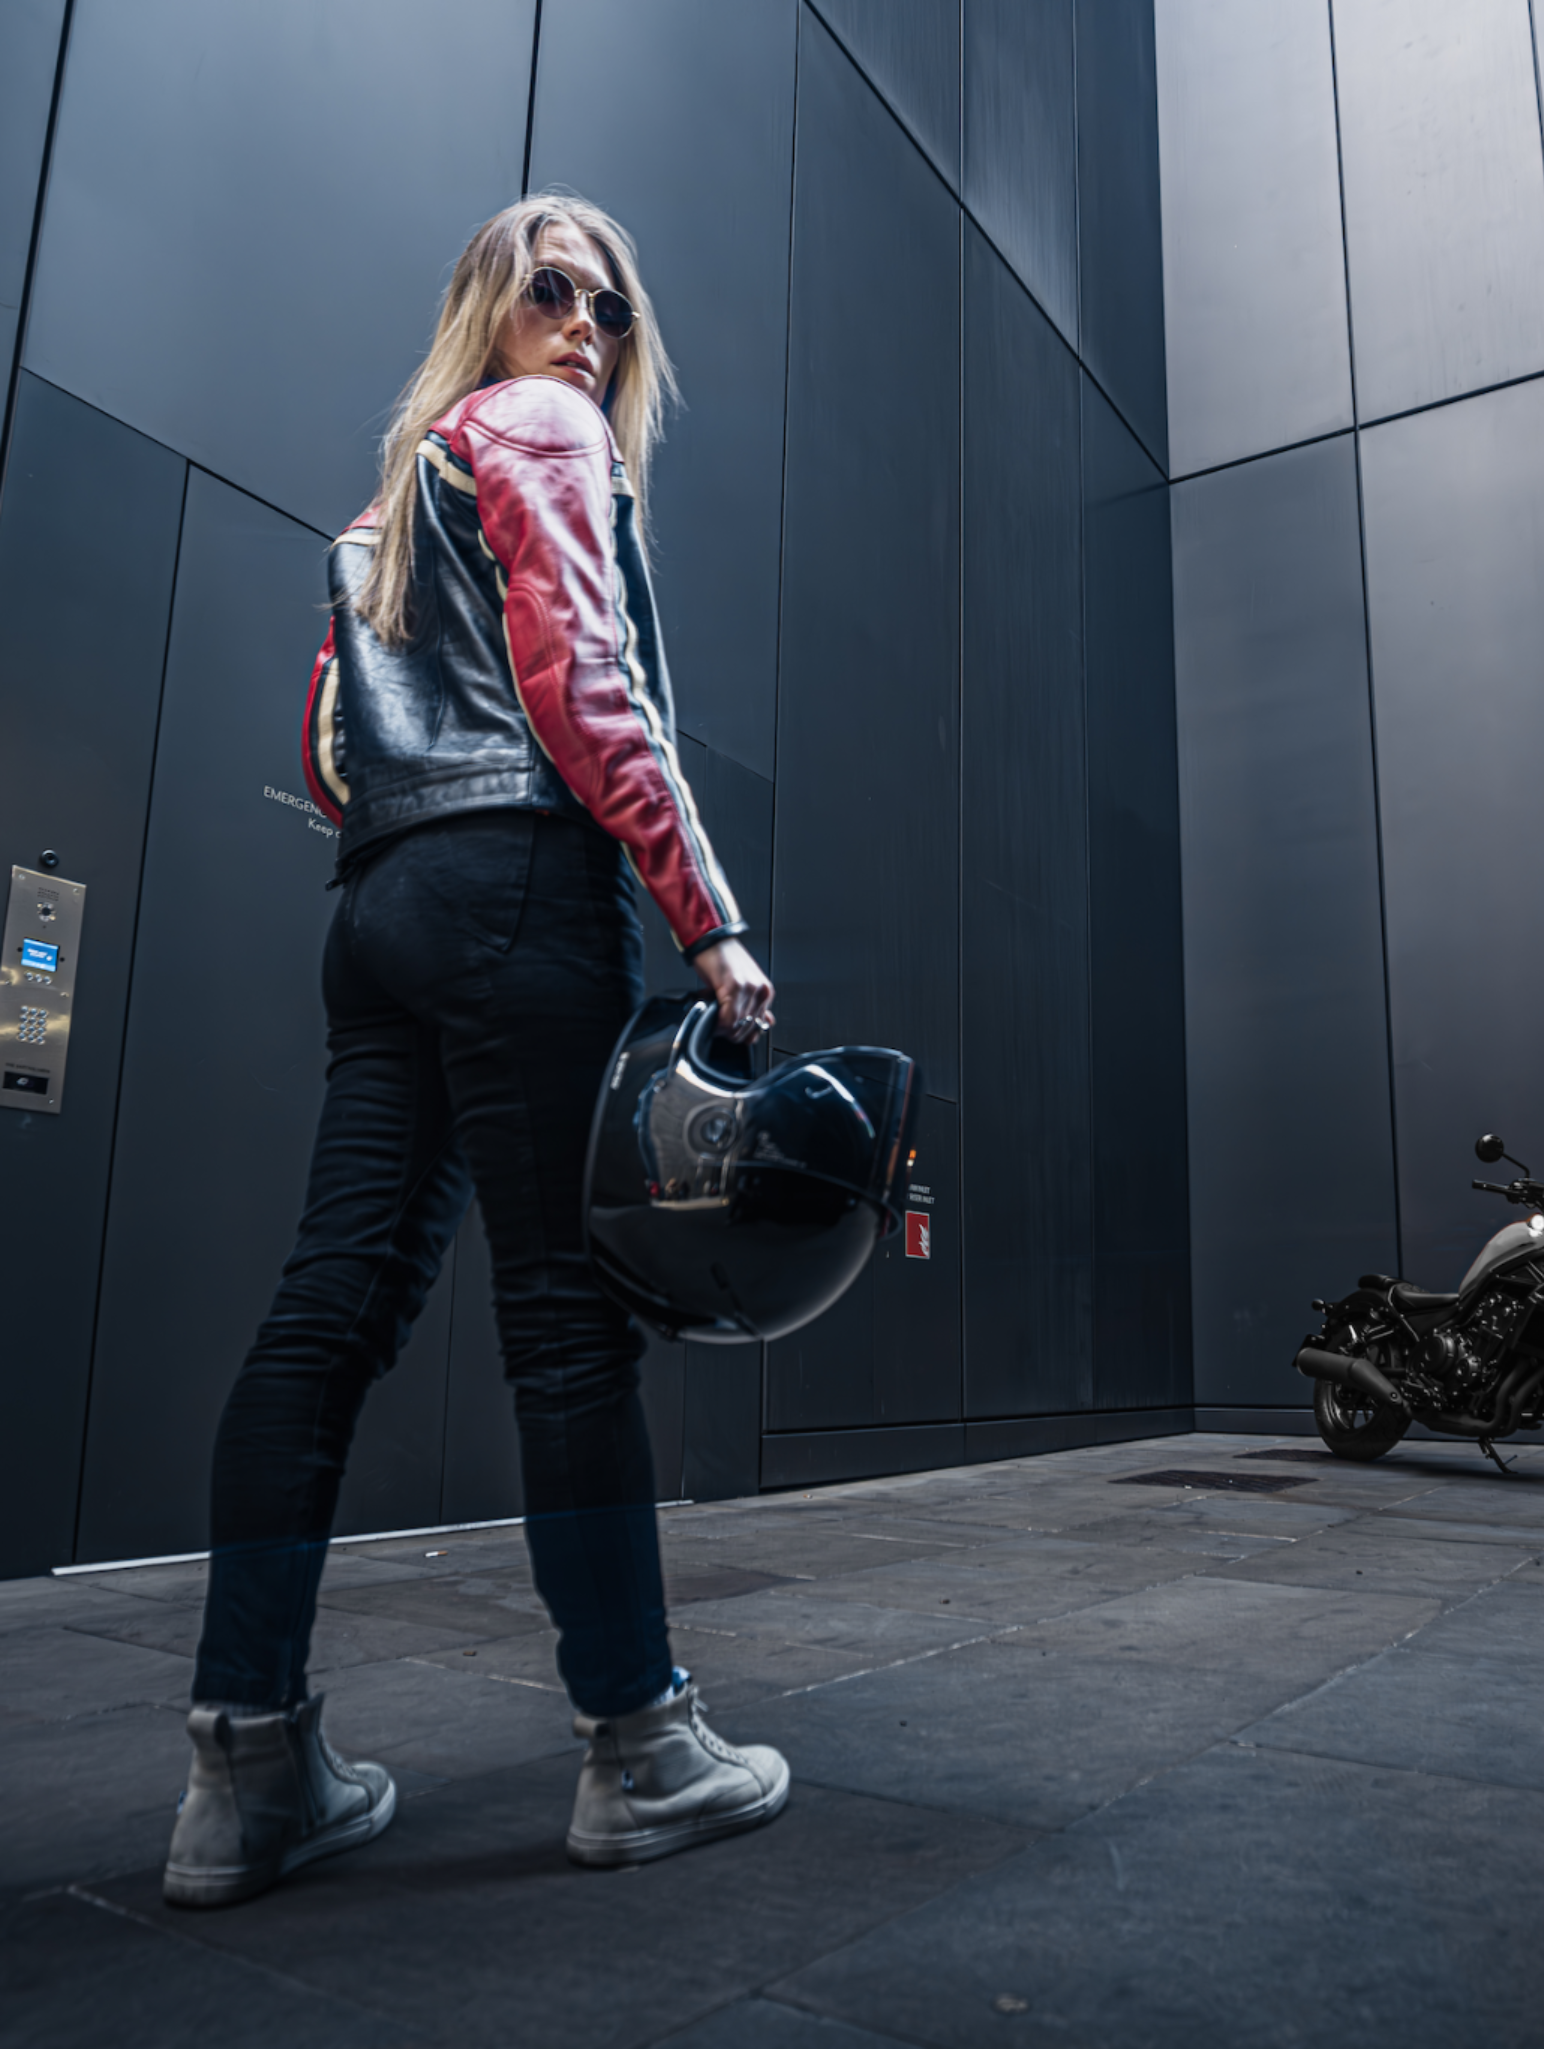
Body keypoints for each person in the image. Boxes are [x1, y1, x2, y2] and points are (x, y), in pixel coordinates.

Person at [163, 195, 789, 1909]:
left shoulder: (387, 503)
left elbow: (328, 744)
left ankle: (247, 1767)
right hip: (518, 886)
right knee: (566, 1330)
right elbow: (588, 682)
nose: (586, 326)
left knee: (328, 1311)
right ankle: (642, 1743)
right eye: (551, 290)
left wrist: (413, 871)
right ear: (490, 308)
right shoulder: (543, 429)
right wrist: (706, 911)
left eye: (613, 309)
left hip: (379, 915)